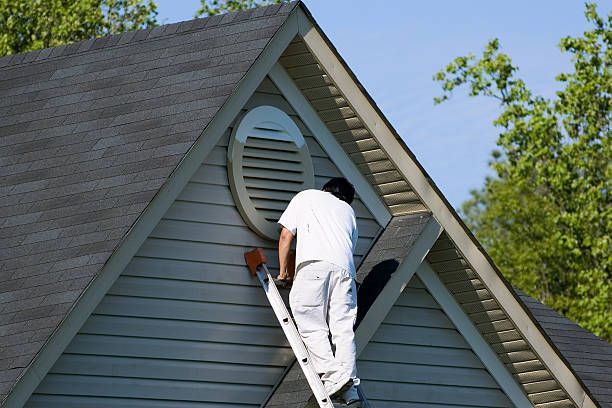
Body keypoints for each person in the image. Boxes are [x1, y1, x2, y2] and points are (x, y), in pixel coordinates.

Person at [276, 177, 362, 406]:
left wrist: (283, 272)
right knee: (343, 330)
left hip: (314, 266)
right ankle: (350, 389)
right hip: (346, 272)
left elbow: (286, 236)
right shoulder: (349, 212)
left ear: (326, 189)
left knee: (311, 322)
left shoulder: (307, 196)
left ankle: (335, 378)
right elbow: (347, 247)